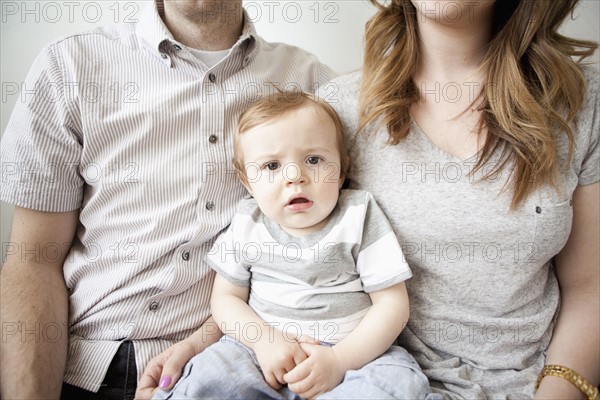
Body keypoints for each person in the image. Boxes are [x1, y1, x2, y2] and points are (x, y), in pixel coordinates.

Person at [0, 1, 335, 398]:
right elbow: (34, 258)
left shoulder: (312, 84)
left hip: (230, 373)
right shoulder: (69, 66)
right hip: (81, 366)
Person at [321, 0, 599, 399]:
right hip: (382, 384)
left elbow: (589, 286)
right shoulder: (338, 110)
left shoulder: (581, 102)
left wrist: (559, 388)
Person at [152, 90, 432, 400]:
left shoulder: (358, 215)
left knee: (396, 385)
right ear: (247, 182)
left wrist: (340, 360)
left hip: (352, 357)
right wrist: (262, 340)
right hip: (259, 353)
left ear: (341, 171)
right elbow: (226, 299)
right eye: (271, 166)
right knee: (212, 374)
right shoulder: (248, 222)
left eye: (313, 159)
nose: (294, 176)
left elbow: (392, 305)